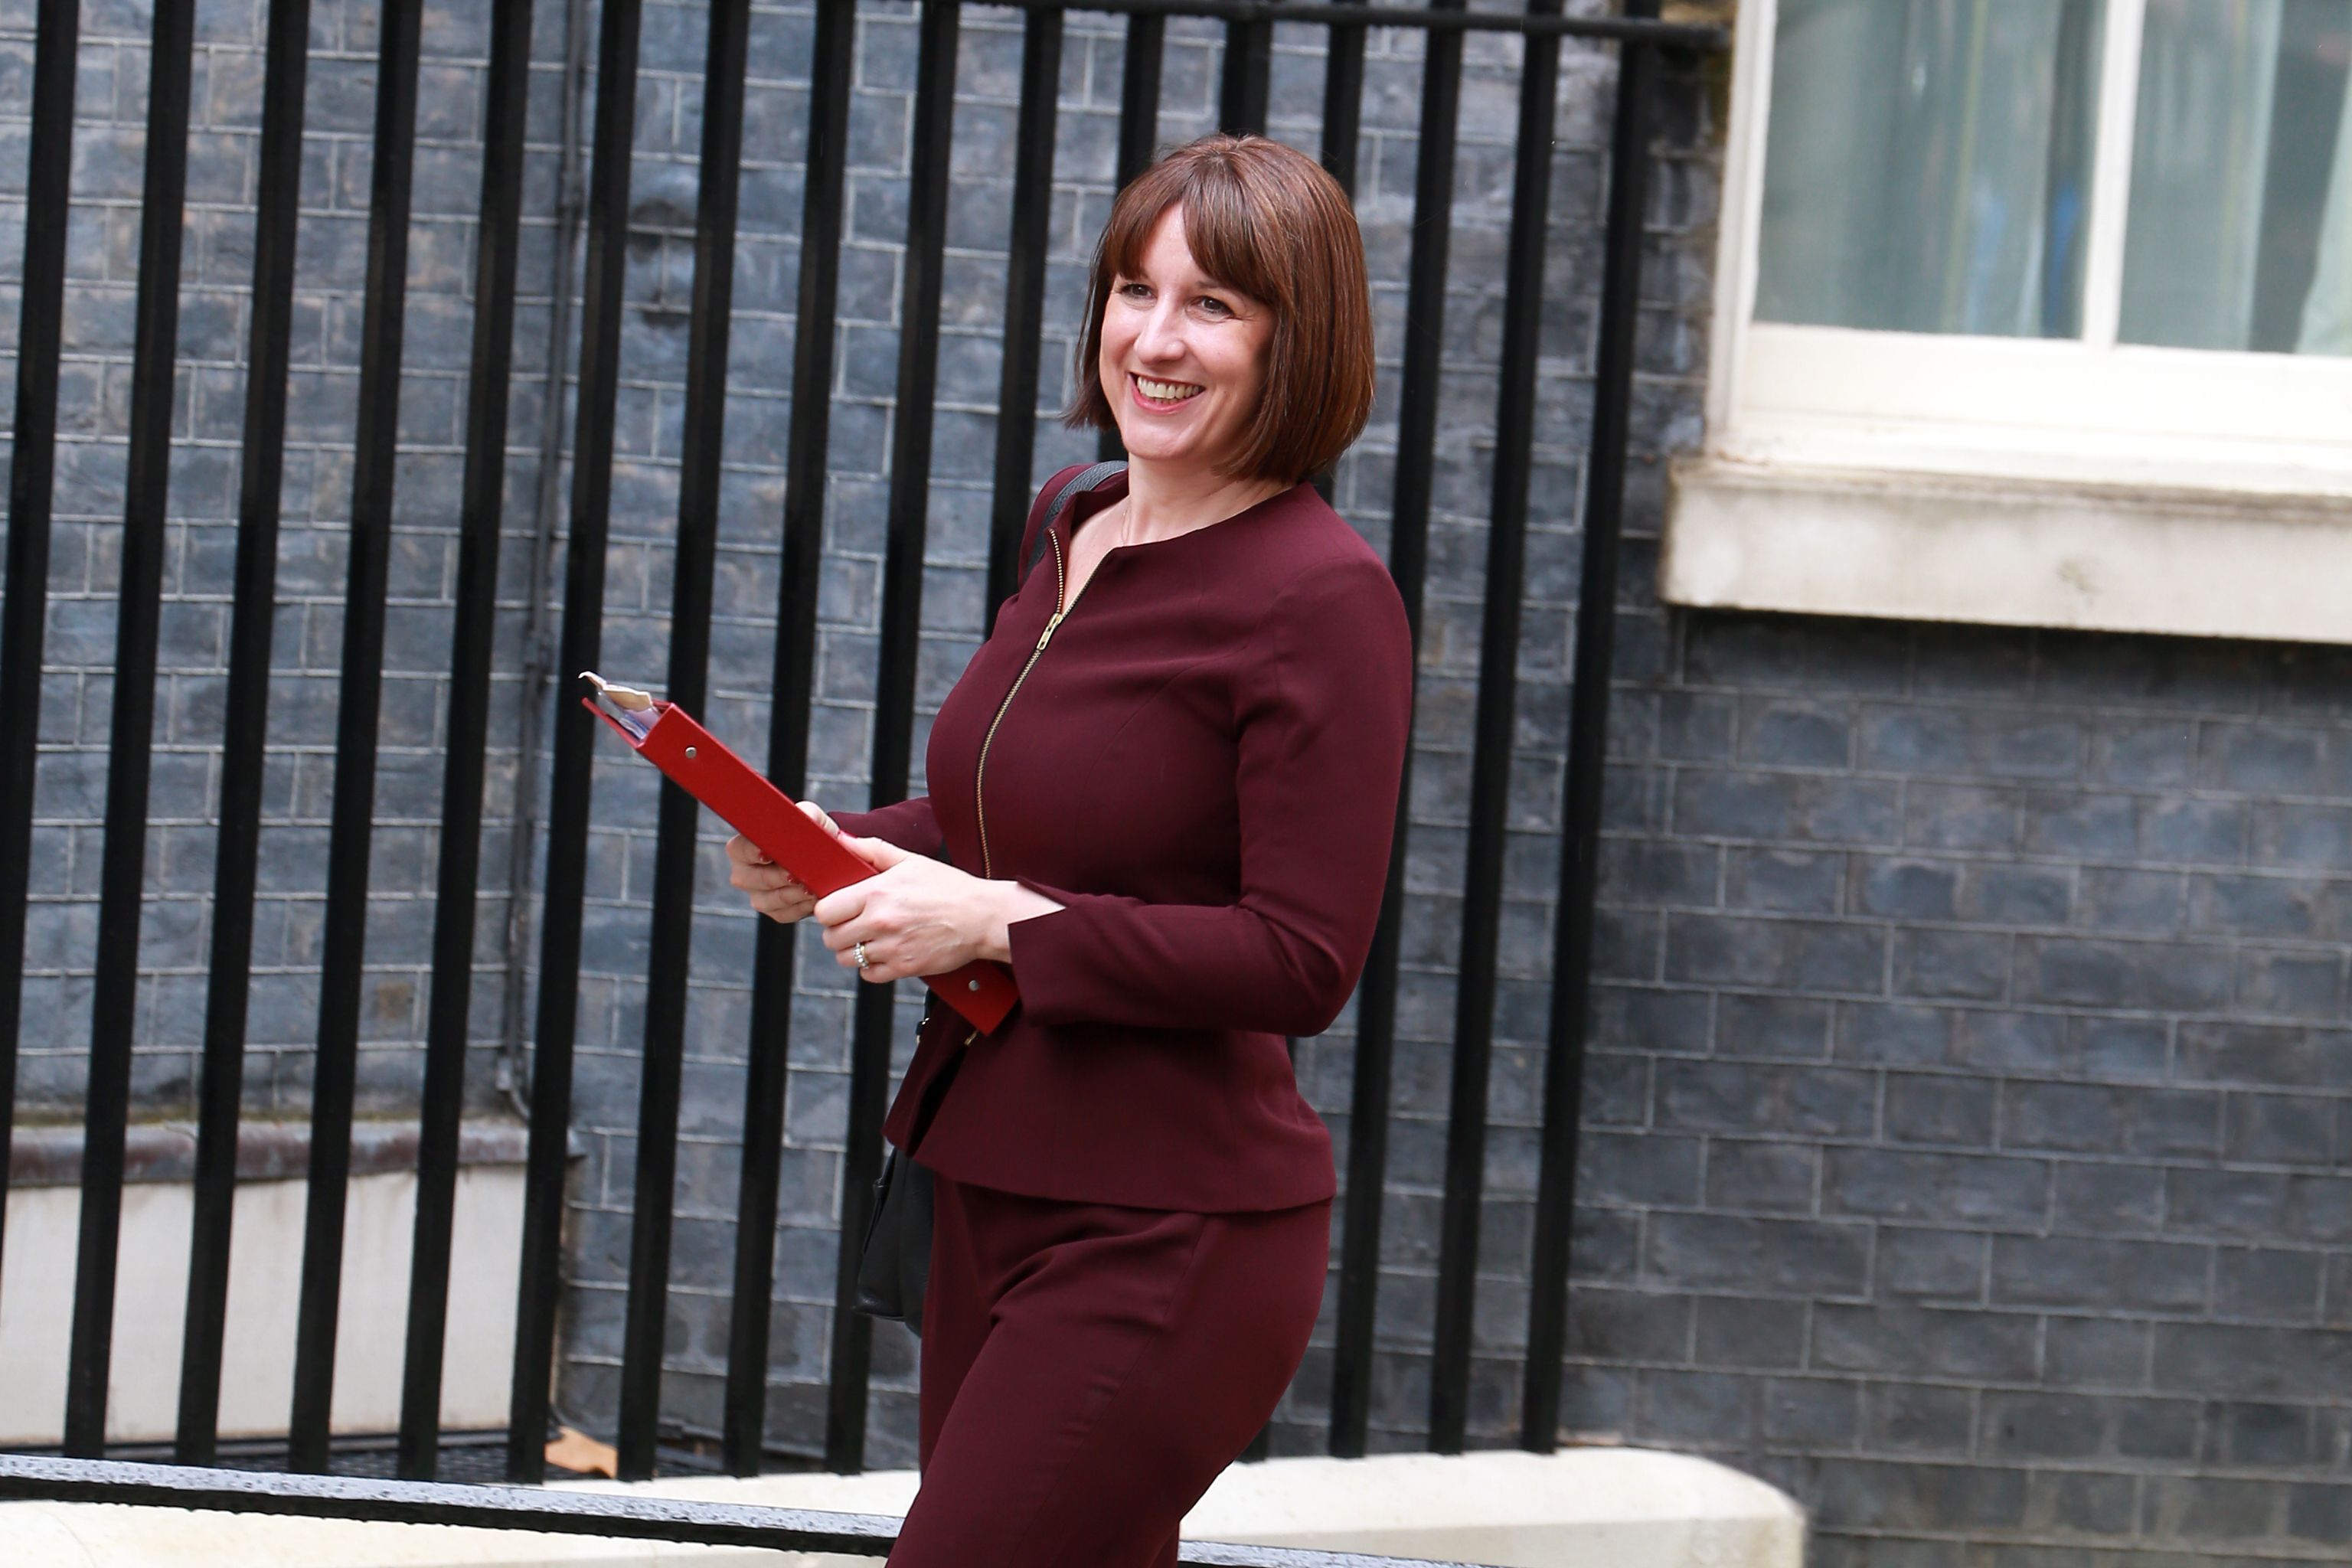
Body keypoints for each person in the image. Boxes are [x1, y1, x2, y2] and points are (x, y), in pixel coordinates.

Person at [726, 134, 1411, 1568]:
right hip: (986, 1184)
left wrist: (993, 927)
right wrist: (843, 852)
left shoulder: (1324, 598)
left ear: (1300, 340)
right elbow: (1009, 825)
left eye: (1214, 305)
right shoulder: (1073, 516)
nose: (1156, 341)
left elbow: (1301, 957)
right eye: (1132, 290)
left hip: (1173, 1229)